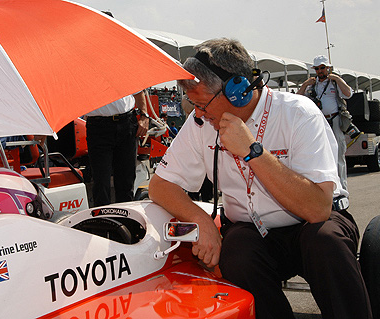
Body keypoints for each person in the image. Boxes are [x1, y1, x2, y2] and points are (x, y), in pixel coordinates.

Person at [149, 38, 371, 319]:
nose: (200, 114)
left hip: (312, 224)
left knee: (325, 242)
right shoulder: (200, 123)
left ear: (238, 90)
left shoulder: (299, 113)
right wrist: (203, 222)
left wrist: (253, 152)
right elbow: (160, 185)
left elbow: (317, 209)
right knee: (237, 252)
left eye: (203, 104)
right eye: (194, 105)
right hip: (252, 230)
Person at [297, 55, 353, 191]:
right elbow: (297, 99)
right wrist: (305, 85)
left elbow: (348, 94)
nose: (320, 71)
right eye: (317, 68)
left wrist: (338, 79)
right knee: (321, 156)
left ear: (328, 68)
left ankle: (343, 190)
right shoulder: (312, 85)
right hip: (319, 123)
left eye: (322, 68)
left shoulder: (334, 82)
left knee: (339, 155)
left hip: (334, 120)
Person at [85, 92, 149, 206]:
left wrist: (144, 115)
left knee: (126, 182)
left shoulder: (123, 73)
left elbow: (138, 91)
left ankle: (126, 220)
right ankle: (103, 221)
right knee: (101, 183)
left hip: (127, 123)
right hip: (98, 128)